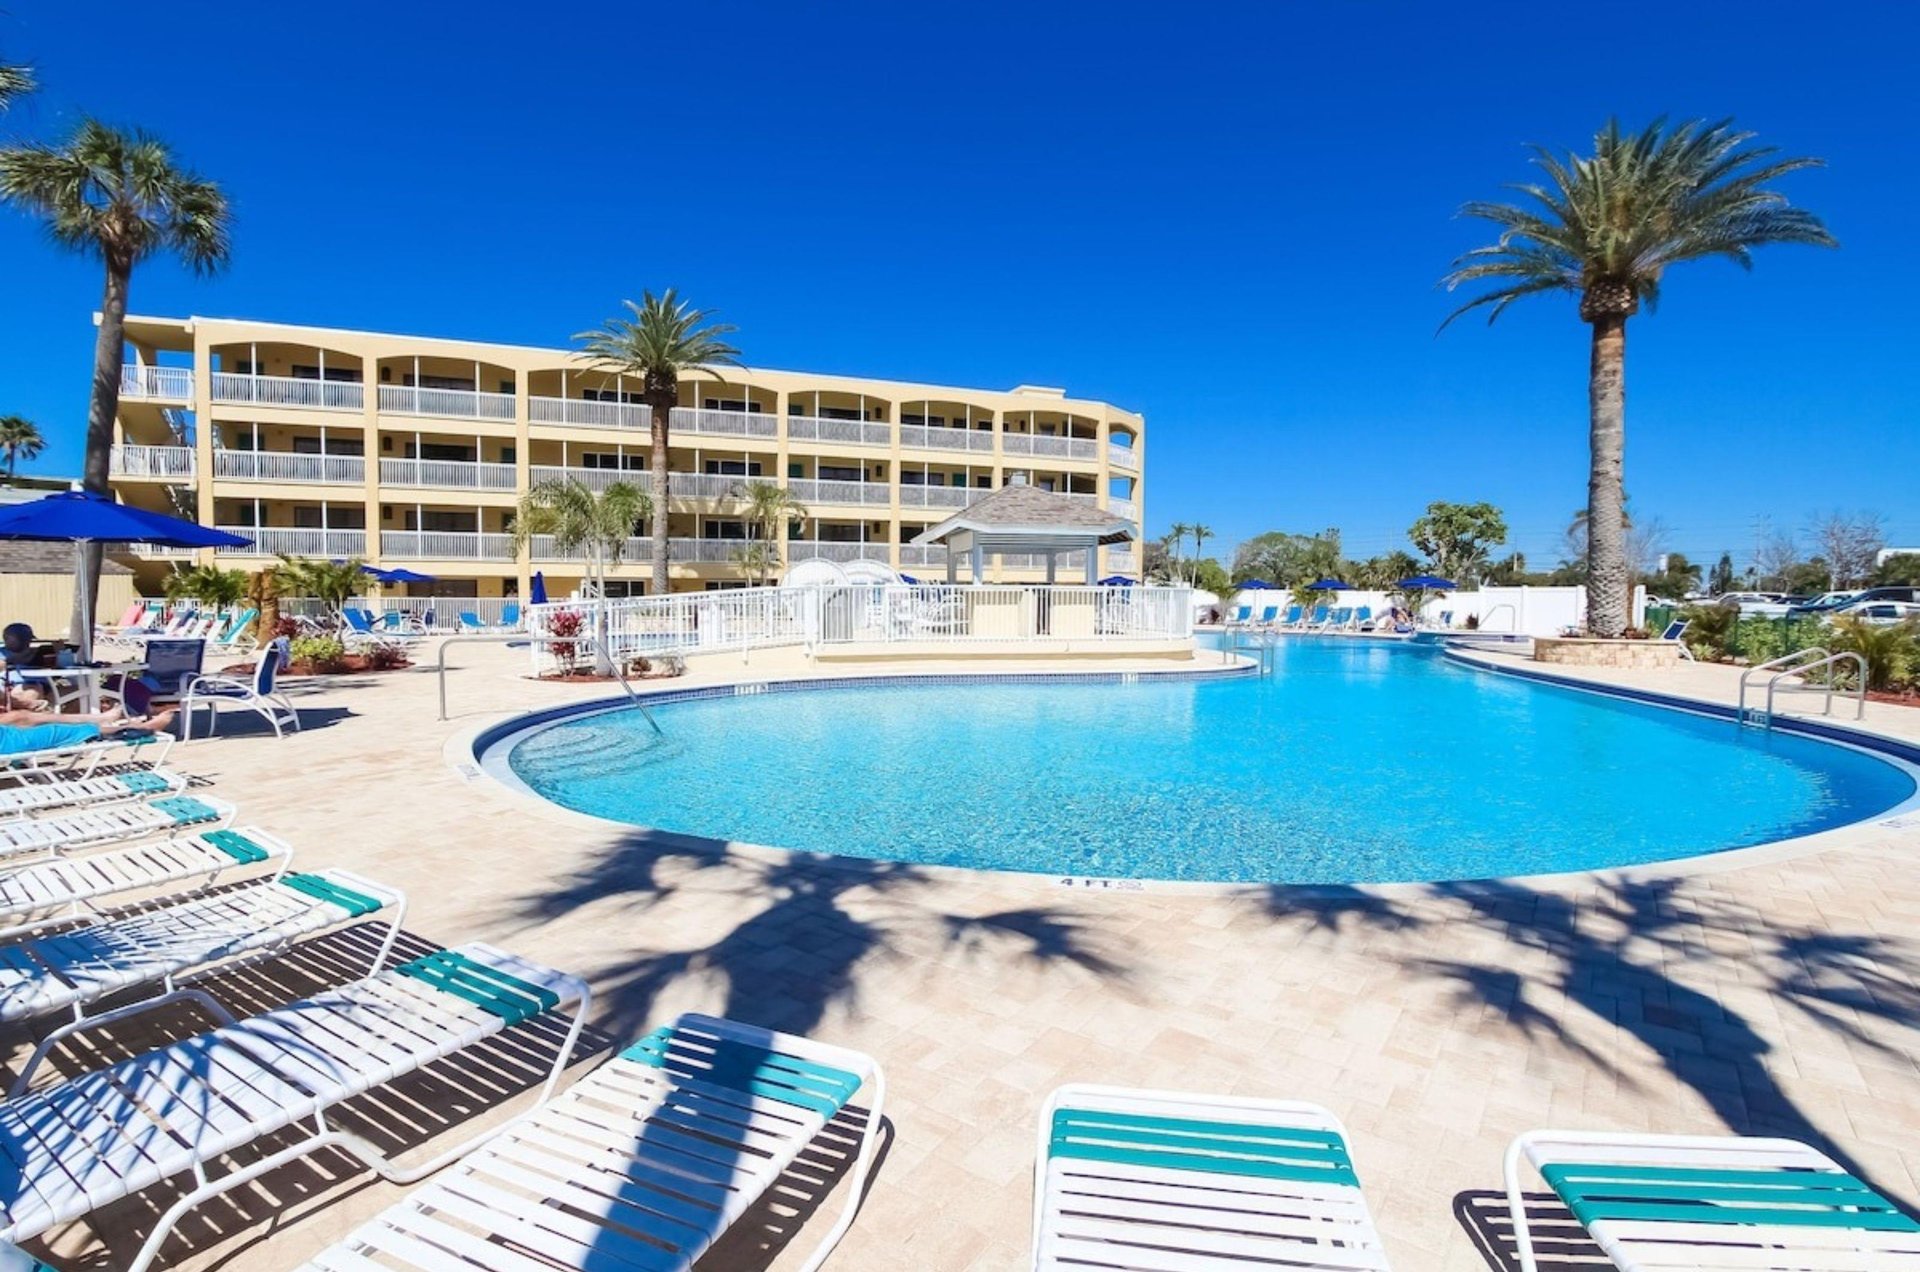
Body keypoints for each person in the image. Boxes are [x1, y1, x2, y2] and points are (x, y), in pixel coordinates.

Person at [0, 703, 178, 757]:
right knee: (59, 731)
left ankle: (104, 721)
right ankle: (140, 728)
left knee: (20, 716)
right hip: (7, 742)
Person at [0, 622, 51, 711]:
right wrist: (14, 659)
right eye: (23, 639)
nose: (28, 642)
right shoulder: (2, 652)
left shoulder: (37, 653)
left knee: (34, 691)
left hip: (34, 683)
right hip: (7, 683)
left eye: (28, 639)